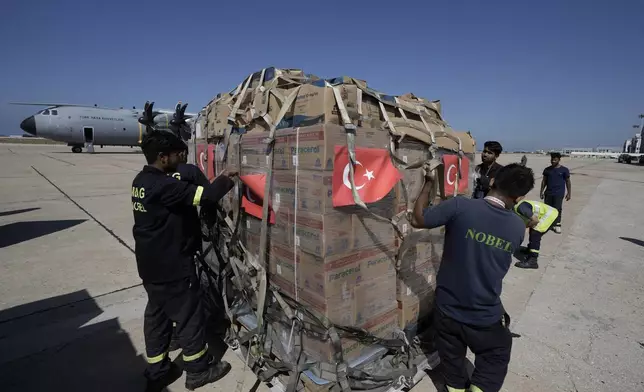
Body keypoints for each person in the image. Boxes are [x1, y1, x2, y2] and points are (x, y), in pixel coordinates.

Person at [411, 163, 535, 392]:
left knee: (451, 358)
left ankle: (456, 387)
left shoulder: (460, 207)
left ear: (492, 181)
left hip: (447, 310)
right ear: (519, 197)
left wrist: (428, 182)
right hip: (483, 315)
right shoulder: (518, 227)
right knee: (496, 355)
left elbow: (418, 220)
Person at [132, 131, 236, 392]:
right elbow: (209, 196)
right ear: (162, 157)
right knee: (189, 316)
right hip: (172, 265)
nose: (182, 159)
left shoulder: (141, 180)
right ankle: (199, 370)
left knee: (157, 315)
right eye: (178, 155)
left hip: (150, 264)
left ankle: (158, 369)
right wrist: (228, 177)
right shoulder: (165, 186)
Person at [513, 200, 560, 269]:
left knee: (535, 233)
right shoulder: (517, 207)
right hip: (549, 213)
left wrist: (528, 226)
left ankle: (533, 261)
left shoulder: (521, 207)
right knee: (533, 230)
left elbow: (535, 220)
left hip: (551, 215)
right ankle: (530, 249)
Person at [540, 152, 571, 234]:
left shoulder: (564, 170)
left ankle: (557, 225)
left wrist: (569, 193)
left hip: (558, 193)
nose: (553, 161)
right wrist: (541, 191)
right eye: (552, 159)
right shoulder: (547, 170)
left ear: (559, 160)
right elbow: (544, 181)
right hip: (548, 193)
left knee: (557, 209)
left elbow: (568, 181)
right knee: (547, 209)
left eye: (555, 159)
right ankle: (547, 224)